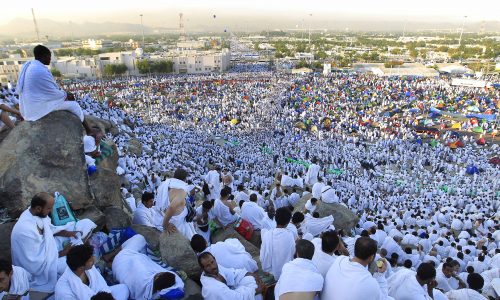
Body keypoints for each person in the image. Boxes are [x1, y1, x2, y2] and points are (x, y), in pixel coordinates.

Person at [10, 192, 96, 293]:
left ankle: (78, 248)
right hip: (41, 268)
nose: (51, 211)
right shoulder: (24, 230)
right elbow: (35, 264)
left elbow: (50, 230)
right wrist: (64, 252)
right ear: (38, 208)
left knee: (86, 224)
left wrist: (69, 233)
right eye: (49, 208)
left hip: (49, 247)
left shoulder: (37, 214)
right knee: (77, 263)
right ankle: (91, 285)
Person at [16, 45, 91, 132]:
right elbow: (52, 93)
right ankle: (89, 130)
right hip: (36, 109)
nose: (50, 59)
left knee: (66, 97)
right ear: (44, 55)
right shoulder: (39, 70)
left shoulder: (31, 66)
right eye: (49, 56)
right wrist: (66, 94)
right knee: (74, 105)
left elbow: (49, 90)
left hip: (29, 107)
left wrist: (63, 94)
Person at [112, 234, 184, 299]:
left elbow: (138, 259)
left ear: (158, 275)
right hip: (117, 269)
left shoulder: (147, 273)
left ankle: (111, 254)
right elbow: (176, 287)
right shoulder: (151, 295)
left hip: (123, 257)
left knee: (140, 238)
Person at [321, 237, 390, 300]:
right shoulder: (370, 283)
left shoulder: (340, 259)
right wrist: (380, 275)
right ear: (371, 257)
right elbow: (383, 298)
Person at [54, 244, 129, 300]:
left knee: (123, 288)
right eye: (90, 260)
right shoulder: (63, 292)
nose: (94, 259)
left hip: (99, 296)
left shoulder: (87, 268)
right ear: (81, 268)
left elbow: (102, 287)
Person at [198, 252, 263, 300]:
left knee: (250, 279)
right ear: (203, 269)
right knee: (257, 296)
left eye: (212, 262)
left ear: (215, 259)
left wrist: (250, 274)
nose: (212, 266)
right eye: (208, 266)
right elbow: (235, 298)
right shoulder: (212, 288)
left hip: (232, 292)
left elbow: (233, 273)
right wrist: (255, 291)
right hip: (231, 297)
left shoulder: (216, 269)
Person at [190, 234, 258, 273]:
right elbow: (235, 243)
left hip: (239, 273)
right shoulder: (219, 245)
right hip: (246, 265)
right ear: (205, 241)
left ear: (196, 251)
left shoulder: (203, 263)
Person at [260, 207, 295, 280]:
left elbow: (264, 256)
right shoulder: (290, 235)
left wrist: (266, 269)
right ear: (288, 222)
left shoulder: (268, 235)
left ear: (275, 219)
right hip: (286, 272)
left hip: (272, 273)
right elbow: (292, 254)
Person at [161, 169, 197, 240]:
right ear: (184, 179)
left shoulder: (167, 184)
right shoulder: (181, 191)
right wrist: (165, 224)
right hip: (176, 223)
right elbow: (171, 207)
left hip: (170, 216)